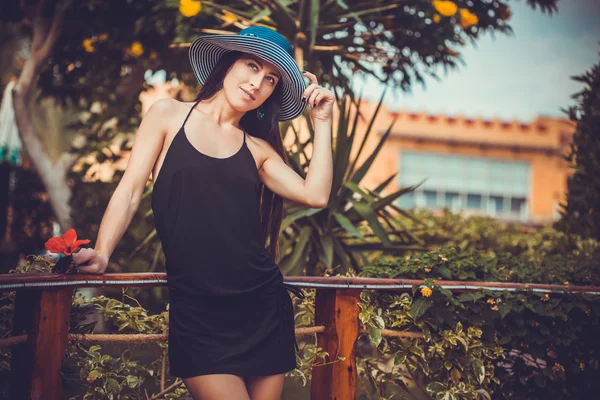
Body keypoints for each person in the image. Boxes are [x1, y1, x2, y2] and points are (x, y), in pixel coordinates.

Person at [71, 26, 334, 400]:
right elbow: (130, 190)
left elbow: (316, 194)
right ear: (228, 63)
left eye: (271, 78)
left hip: (261, 307)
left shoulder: (258, 149)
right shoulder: (167, 115)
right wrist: (102, 252)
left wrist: (322, 123)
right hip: (197, 313)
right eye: (252, 65)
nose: (258, 82)